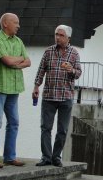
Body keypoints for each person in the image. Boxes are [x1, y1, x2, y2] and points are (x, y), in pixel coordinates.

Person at [0, 13, 31, 168]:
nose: (18, 25)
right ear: (5, 23)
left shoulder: (18, 41)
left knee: (14, 122)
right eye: (15, 22)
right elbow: (7, 61)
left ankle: (9, 157)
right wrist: (17, 59)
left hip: (14, 87)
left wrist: (14, 61)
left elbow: (28, 61)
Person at [33, 25, 82, 167]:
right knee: (45, 128)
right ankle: (46, 157)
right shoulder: (48, 51)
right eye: (56, 34)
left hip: (66, 96)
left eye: (61, 35)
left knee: (62, 130)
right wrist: (36, 86)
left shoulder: (74, 53)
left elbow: (78, 73)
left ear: (68, 38)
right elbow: (41, 70)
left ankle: (56, 157)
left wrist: (71, 70)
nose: (57, 37)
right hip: (49, 96)